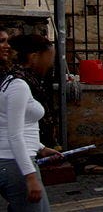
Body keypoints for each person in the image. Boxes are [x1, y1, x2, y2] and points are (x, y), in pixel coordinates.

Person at [0, 34, 63, 211]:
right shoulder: (18, 85)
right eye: (47, 58)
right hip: (16, 164)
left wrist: (40, 147)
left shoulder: (15, 80)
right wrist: (30, 176)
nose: (50, 64)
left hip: (17, 161)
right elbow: (14, 133)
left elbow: (18, 123)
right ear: (34, 57)